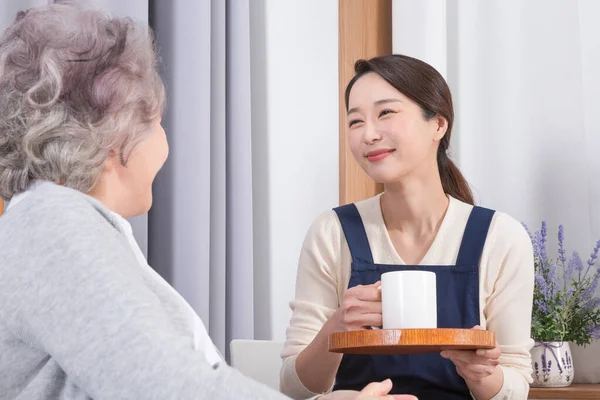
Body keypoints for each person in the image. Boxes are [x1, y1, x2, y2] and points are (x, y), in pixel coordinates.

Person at [0, 3, 417, 400]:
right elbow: (165, 386)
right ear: (115, 136)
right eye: (157, 123)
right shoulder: (52, 223)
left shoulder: (61, 224)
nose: (165, 143)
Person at [280, 54, 535, 400]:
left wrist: (481, 376)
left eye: (386, 113)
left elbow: (516, 386)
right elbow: (294, 388)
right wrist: (338, 327)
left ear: (438, 124)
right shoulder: (332, 233)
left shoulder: (499, 238)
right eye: (355, 122)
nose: (368, 134)